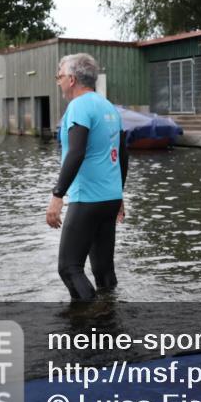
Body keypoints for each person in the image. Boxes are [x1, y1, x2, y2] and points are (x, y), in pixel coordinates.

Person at [46, 53, 128, 301]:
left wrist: (58, 194)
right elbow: (123, 156)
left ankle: (88, 320)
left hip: (87, 200)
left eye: (59, 76)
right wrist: (120, 196)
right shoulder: (109, 106)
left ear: (71, 79)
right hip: (110, 199)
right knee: (104, 271)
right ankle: (109, 320)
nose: (58, 81)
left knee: (69, 269)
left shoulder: (78, 106)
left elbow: (76, 151)